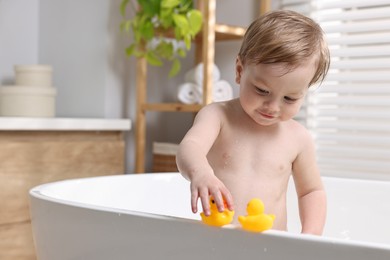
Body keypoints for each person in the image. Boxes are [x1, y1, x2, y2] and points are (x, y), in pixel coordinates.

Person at [176, 10, 330, 235]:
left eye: (290, 98)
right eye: (262, 90)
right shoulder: (218, 116)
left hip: (273, 249)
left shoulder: (299, 138)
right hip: (216, 242)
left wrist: (311, 236)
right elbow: (190, 147)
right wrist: (201, 172)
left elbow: (312, 191)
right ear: (239, 71)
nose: (273, 106)